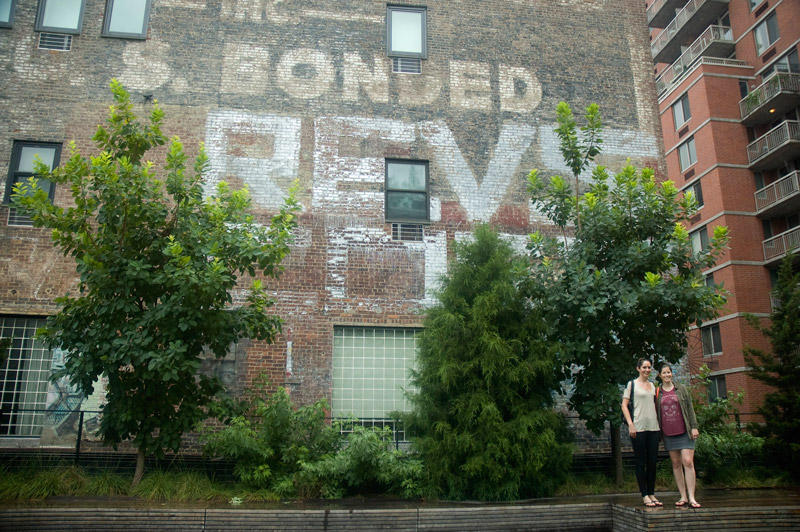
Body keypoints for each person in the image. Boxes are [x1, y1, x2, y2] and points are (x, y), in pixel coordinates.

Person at [656, 363, 701, 509]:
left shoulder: (681, 389)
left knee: (688, 462)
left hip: (685, 431)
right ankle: (683, 496)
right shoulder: (657, 393)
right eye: (664, 373)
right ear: (660, 375)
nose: (667, 375)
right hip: (669, 433)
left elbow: (690, 408)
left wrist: (694, 427)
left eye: (669, 372)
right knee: (676, 464)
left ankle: (692, 497)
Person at [621, 358, 663, 507]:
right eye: (644, 367)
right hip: (638, 428)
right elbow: (624, 406)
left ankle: (651, 493)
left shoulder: (653, 386)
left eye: (649, 367)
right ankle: (644, 494)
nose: (647, 370)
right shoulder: (632, 384)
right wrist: (631, 424)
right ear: (638, 368)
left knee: (652, 462)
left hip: (653, 427)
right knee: (641, 462)